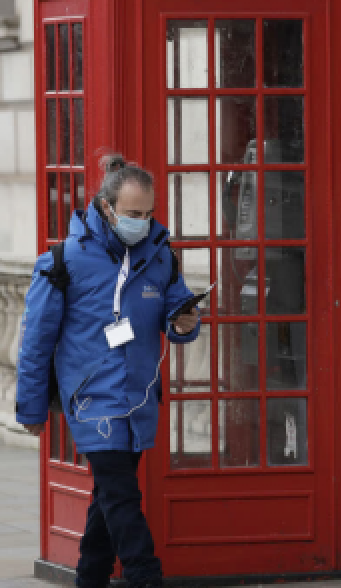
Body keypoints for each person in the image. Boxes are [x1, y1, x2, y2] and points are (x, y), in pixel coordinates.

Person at [16, 154, 202, 588]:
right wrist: (30, 409)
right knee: (122, 496)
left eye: (149, 213)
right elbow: (36, 341)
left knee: (107, 501)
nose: (142, 222)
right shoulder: (63, 261)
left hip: (138, 396)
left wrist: (184, 324)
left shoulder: (158, 255)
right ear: (106, 207)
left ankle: (91, 579)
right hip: (92, 399)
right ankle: (145, 577)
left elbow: (177, 311)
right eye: (133, 214)